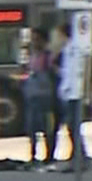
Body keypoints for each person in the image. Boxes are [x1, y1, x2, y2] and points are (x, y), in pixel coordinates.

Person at [55, 21, 91, 172]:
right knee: (73, 127)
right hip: (70, 93)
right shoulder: (68, 49)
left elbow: (70, 73)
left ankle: (80, 159)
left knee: (73, 127)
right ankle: (79, 157)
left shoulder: (73, 50)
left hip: (73, 94)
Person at [23, 27, 58, 166]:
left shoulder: (48, 56)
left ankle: (49, 156)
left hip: (46, 97)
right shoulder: (32, 56)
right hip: (32, 97)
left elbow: (52, 74)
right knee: (31, 127)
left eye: (36, 39)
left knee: (47, 129)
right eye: (33, 39)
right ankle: (33, 155)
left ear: (43, 41)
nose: (34, 42)